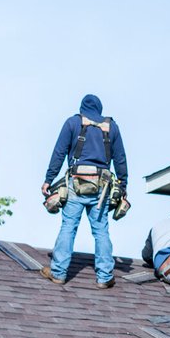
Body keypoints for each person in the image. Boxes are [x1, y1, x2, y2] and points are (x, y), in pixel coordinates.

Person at [40, 94, 129, 288]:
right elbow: (120, 158)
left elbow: (59, 152)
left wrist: (48, 179)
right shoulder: (111, 127)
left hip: (76, 183)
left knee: (68, 227)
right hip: (102, 187)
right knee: (101, 230)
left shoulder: (73, 123)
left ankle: (58, 273)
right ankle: (105, 277)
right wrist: (123, 186)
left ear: (82, 109)